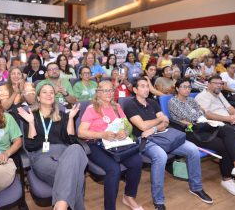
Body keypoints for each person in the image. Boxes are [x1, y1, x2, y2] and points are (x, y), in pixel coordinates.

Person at [123, 77, 213, 210]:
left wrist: (153, 127)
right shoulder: (130, 105)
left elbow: (165, 121)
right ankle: (158, 200)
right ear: (135, 89)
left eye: (147, 86)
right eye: (142, 86)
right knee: (161, 156)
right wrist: (158, 121)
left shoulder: (153, 102)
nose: (146, 89)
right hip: (144, 140)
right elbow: (142, 126)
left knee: (192, 150)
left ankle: (196, 187)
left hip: (163, 135)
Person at [169, 78, 235, 197]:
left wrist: (200, 113)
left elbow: (201, 113)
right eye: (184, 87)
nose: (187, 89)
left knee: (228, 130)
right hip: (191, 131)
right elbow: (191, 116)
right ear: (177, 88)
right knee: (225, 146)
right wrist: (199, 113)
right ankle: (227, 179)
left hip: (204, 125)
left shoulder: (191, 100)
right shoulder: (173, 102)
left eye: (189, 87)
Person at [17, 83, 87, 210]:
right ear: (38, 97)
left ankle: (61, 205)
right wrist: (31, 123)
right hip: (42, 156)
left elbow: (71, 140)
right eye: (44, 92)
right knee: (76, 178)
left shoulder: (63, 115)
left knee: (77, 149)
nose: (49, 94)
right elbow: (31, 146)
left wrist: (71, 119)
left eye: (51, 92)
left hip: (64, 154)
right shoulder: (31, 115)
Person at [78, 80, 143, 210]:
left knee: (137, 161)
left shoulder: (116, 107)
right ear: (98, 93)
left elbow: (127, 125)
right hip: (96, 144)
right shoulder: (92, 109)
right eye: (105, 90)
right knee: (114, 169)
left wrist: (124, 132)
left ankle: (129, 197)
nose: (109, 93)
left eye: (111, 90)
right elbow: (81, 132)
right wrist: (102, 134)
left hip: (116, 143)